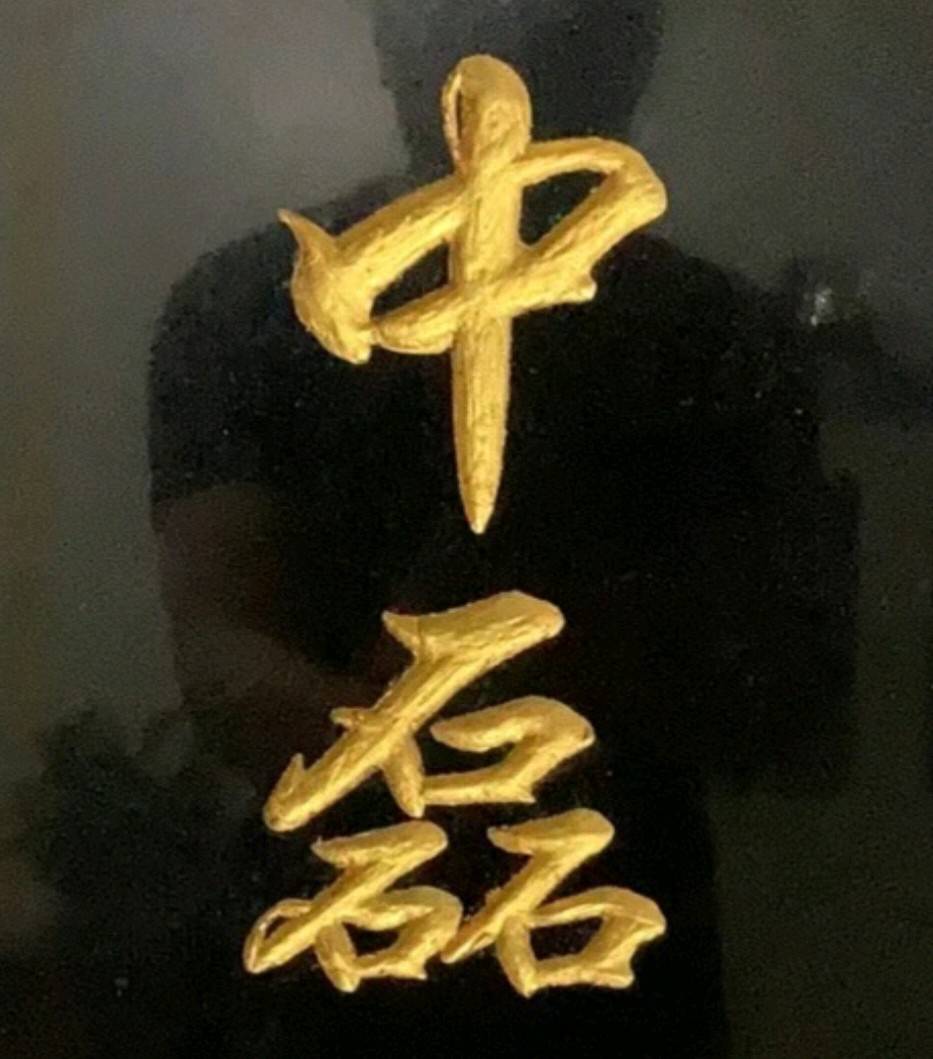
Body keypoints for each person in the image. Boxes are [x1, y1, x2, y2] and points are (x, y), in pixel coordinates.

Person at [35, 2, 854, 1054]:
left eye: (560, 25)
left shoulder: (718, 336)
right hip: (390, 944)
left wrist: (428, 737)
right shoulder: (249, 305)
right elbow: (222, 651)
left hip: (554, 952)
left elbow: (791, 702)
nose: (510, 58)